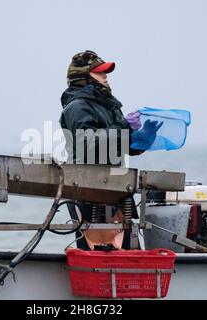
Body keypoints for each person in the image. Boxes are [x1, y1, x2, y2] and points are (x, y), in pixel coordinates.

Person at [59, 50, 161, 250]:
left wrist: (141, 139)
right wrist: (123, 127)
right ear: (84, 77)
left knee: (130, 253)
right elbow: (88, 145)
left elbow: (117, 144)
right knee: (95, 256)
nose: (106, 77)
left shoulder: (108, 105)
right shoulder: (77, 106)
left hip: (114, 188)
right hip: (87, 190)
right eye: (100, 72)